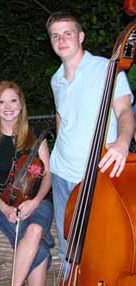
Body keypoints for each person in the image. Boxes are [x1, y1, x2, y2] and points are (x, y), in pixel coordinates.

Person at [46, 11, 135, 274]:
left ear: (81, 36)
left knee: (100, 249)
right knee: (67, 250)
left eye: (68, 33)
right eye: (55, 35)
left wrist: (122, 141)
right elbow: (61, 120)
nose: (61, 40)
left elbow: (125, 112)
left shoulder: (107, 68)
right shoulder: (56, 79)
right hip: (62, 175)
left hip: (96, 177)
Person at [0, 81, 54, 286]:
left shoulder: (34, 135)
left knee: (35, 230)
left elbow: (48, 175)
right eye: (1, 102)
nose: (8, 107)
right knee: (39, 249)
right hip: (5, 206)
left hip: (39, 204)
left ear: (21, 105)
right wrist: (3, 208)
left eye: (13, 100)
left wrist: (35, 202)